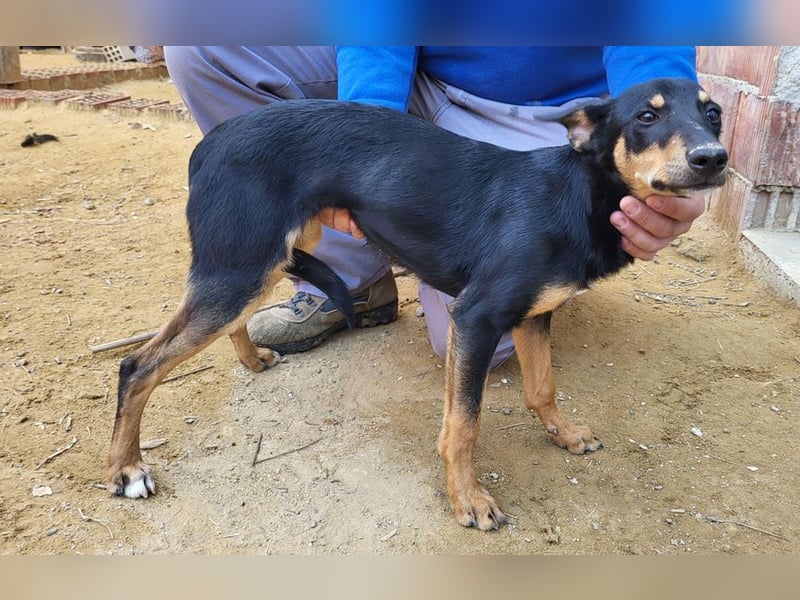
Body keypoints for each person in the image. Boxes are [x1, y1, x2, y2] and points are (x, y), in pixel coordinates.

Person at [164, 46, 705, 367]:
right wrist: (359, 145)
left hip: (537, 112)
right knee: (203, 43)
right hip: (421, 71)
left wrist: (660, 133)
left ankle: (522, 264)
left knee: (476, 332)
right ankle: (354, 275)